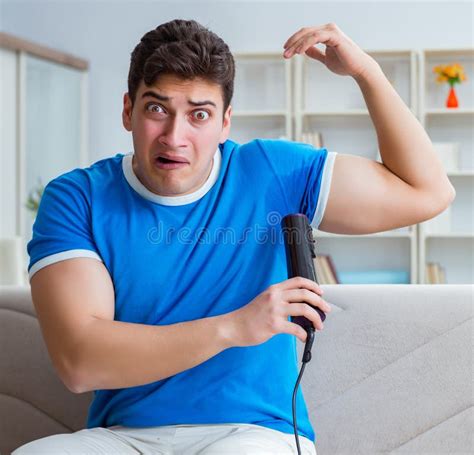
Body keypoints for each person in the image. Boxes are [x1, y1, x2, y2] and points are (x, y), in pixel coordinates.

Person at [14, 18, 454, 455]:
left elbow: (427, 193)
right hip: (122, 436)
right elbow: (80, 362)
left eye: (198, 115)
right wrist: (236, 326)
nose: (175, 137)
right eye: (156, 109)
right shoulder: (78, 197)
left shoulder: (274, 173)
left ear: (225, 123)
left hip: (252, 434)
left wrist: (366, 74)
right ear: (128, 110)